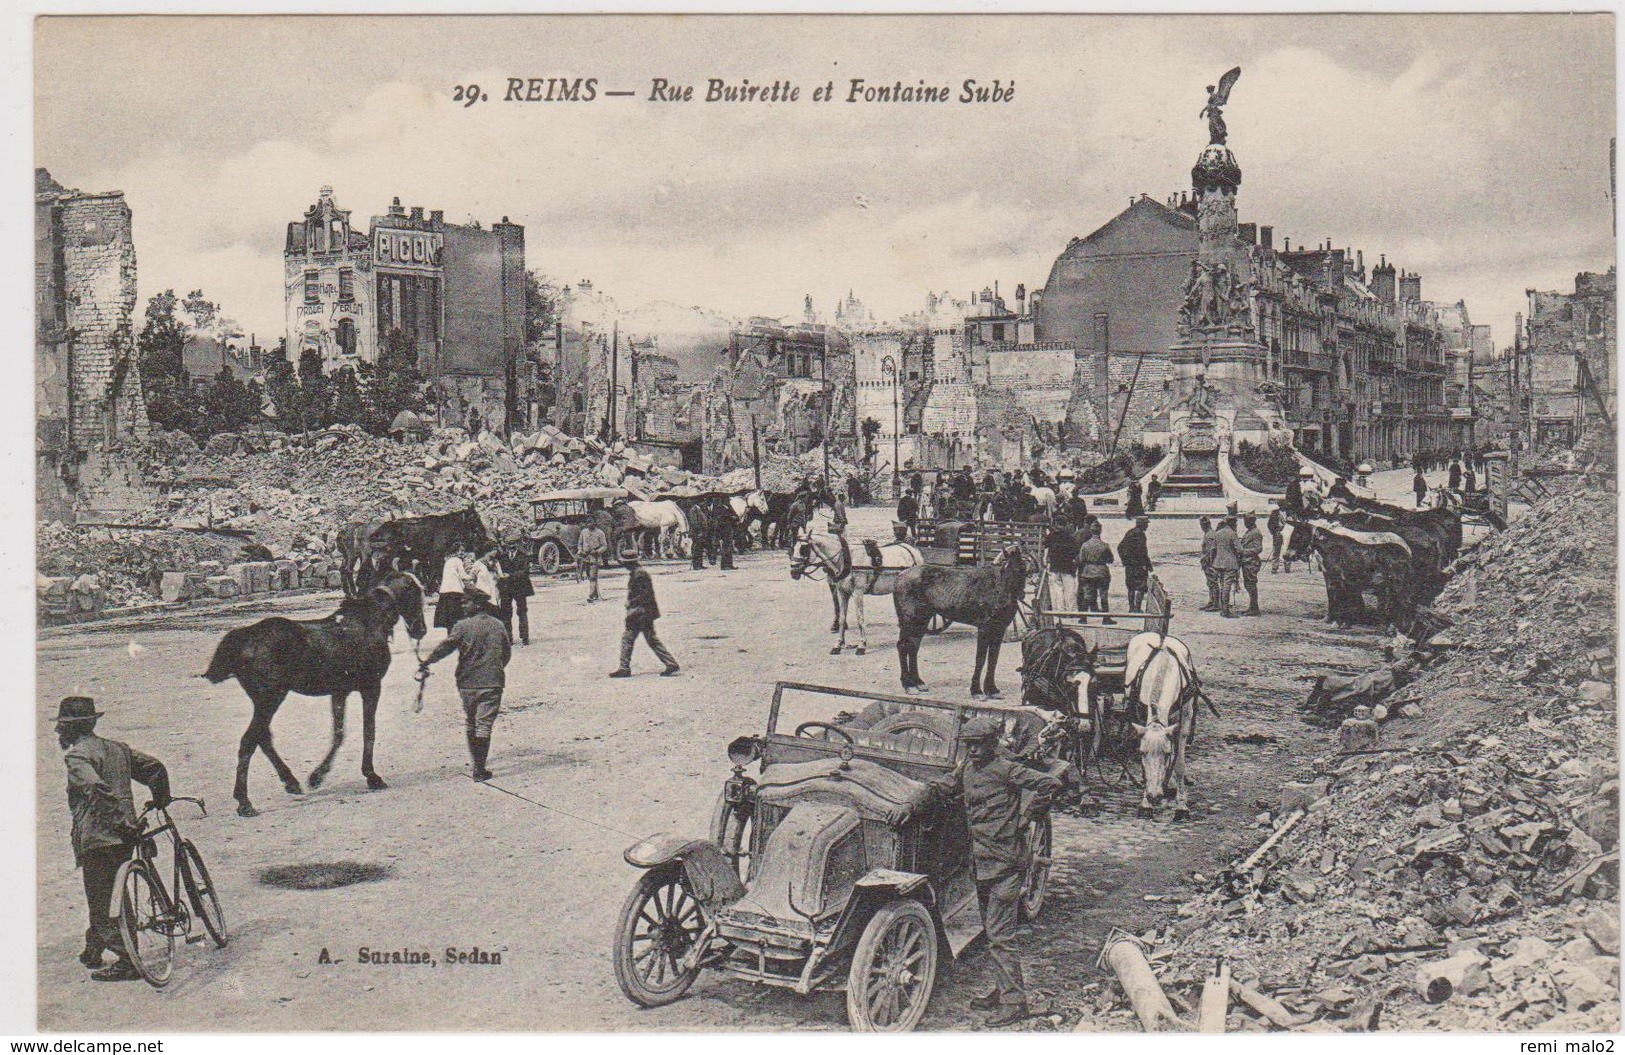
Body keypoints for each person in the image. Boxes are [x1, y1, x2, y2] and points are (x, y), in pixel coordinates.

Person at [944, 716, 1061, 1027]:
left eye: (978, 746)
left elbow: (1051, 783)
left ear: (992, 745)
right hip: (982, 863)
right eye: (968, 745)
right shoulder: (967, 769)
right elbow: (946, 785)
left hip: (1006, 864)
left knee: (1000, 936)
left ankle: (1015, 1003)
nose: (972, 751)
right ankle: (1003, 990)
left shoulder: (1007, 769)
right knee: (992, 933)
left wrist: (1027, 817)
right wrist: (913, 800)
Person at [56, 696, 171, 981]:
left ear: (71, 728)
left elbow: (96, 788)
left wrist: (118, 822)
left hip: (100, 836)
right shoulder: (117, 749)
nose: (58, 731)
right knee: (106, 890)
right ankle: (93, 948)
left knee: (102, 897)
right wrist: (160, 799)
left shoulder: (77, 756)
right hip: (125, 837)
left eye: (61, 726)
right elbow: (155, 767)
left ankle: (128, 960)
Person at [420, 588, 512, 781]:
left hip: (467, 683)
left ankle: (476, 765)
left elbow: (445, 647)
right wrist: (494, 668)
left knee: (471, 722)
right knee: (484, 725)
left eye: (465, 602)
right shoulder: (498, 625)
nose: (462, 606)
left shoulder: (461, 627)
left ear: (477, 604)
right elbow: (506, 654)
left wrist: (427, 661)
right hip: (492, 682)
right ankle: (480, 768)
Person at [610, 546, 679, 678]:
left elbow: (643, 596)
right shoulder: (639, 573)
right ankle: (670, 663)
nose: (623, 565)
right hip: (645, 612)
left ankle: (624, 668)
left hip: (640, 613)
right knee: (651, 639)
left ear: (630, 563)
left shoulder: (639, 575)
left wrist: (631, 605)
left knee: (628, 639)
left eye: (625, 562)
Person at [1076, 521, 1115, 623]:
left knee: (1087, 595)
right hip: (1102, 572)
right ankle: (1106, 618)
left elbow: (1081, 559)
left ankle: (1083, 618)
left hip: (1088, 572)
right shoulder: (1104, 545)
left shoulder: (1085, 545)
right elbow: (1110, 560)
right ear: (1100, 531)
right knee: (1103, 595)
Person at [498, 535, 534, 645]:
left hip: (520, 587)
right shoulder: (502, 557)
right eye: (509, 546)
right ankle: (508, 638)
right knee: (506, 613)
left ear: (517, 545)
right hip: (506, 588)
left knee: (522, 611)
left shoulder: (524, 556)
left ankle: (525, 637)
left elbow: (525, 572)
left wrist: (510, 575)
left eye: (513, 546)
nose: (511, 548)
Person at [1118, 516, 1153, 612]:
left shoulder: (1129, 533)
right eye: (1146, 524)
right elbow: (1142, 552)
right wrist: (1148, 564)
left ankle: (1131, 608)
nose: (1147, 526)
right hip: (1139, 566)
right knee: (1141, 586)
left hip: (1129, 566)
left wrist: (1125, 561)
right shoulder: (1140, 535)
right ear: (1141, 524)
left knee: (1131, 586)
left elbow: (1120, 547)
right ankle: (1137, 608)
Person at [1044, 518, 1078, 614]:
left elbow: (1046, 550)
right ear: (1065, 525)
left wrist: (1045, 561)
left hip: (1055, 565)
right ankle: (1071, 611)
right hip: (1068, 566)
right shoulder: (1070, 537)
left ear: (1055, 524)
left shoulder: (1050, 536)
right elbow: (1075, 553)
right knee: (1070, 589)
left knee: (1058, 589)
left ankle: (1060, 611)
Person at [1211, 516, 1242, 618]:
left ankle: (1223, 608)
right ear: (1232, 523)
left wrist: (1213, 562)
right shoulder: (1233, 534)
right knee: (1227, 586)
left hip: (1218, 563)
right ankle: (1225, 611)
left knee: (1222, 585)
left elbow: (1213, 550)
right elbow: (1240, 550)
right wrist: (1238, 557)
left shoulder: (1218, 533)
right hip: (1230, 564)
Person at [434, 549, 471, 631]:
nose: (462, 553)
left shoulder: (448, 561)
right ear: (456, 551)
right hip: (455, 591)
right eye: (461, 550)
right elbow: (463, 575)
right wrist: (472, 575)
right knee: (457, 617)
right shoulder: (457, 560)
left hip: (445, 591)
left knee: (449, 619)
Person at [577, 521, 610, 602]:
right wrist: (580, 551)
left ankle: (591, 595)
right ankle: (595, 594)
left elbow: (604, 546)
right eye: (588, 522)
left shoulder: (600, 532)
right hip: (586, 557)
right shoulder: (583, 532)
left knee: (593, 577)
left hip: (595, 557)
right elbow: (580, 544)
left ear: (595, 523)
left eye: (591, 522)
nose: (589, 524)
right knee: (589, 576)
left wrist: (598, 552)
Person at [1239, 513, 1263, 616]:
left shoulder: (1256, 533)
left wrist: (1243, 551)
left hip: (1251, 562)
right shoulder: (1250, 531)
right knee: (1248, 585)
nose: (1245, 523)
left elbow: (1258, 548)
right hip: (1247, 562)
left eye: (1246, 521)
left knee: (1251, 585)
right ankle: (1252, 607)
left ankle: (1254, 608)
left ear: (1252, 521)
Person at [1198, 516, 1219, 612]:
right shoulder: (1208, 533)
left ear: (1204, 525)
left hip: (1209, 563)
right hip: (1207, 562)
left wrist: (1209, 562)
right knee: (1210, 583)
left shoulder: (1210, 535)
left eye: (1201, 525)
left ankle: (1215, 603)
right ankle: (1211, 601)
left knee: (1213, 583)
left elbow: (1211, 550)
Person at [1267, 507, 1285, 574]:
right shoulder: (1274, 512)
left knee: (1287, 549)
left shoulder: (1290, 512)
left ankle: (1287, 567)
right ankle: (1274, 567)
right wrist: (1274, 532)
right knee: (1276, 550)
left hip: (1287, 533)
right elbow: (1269, 524)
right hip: (1277, 533)